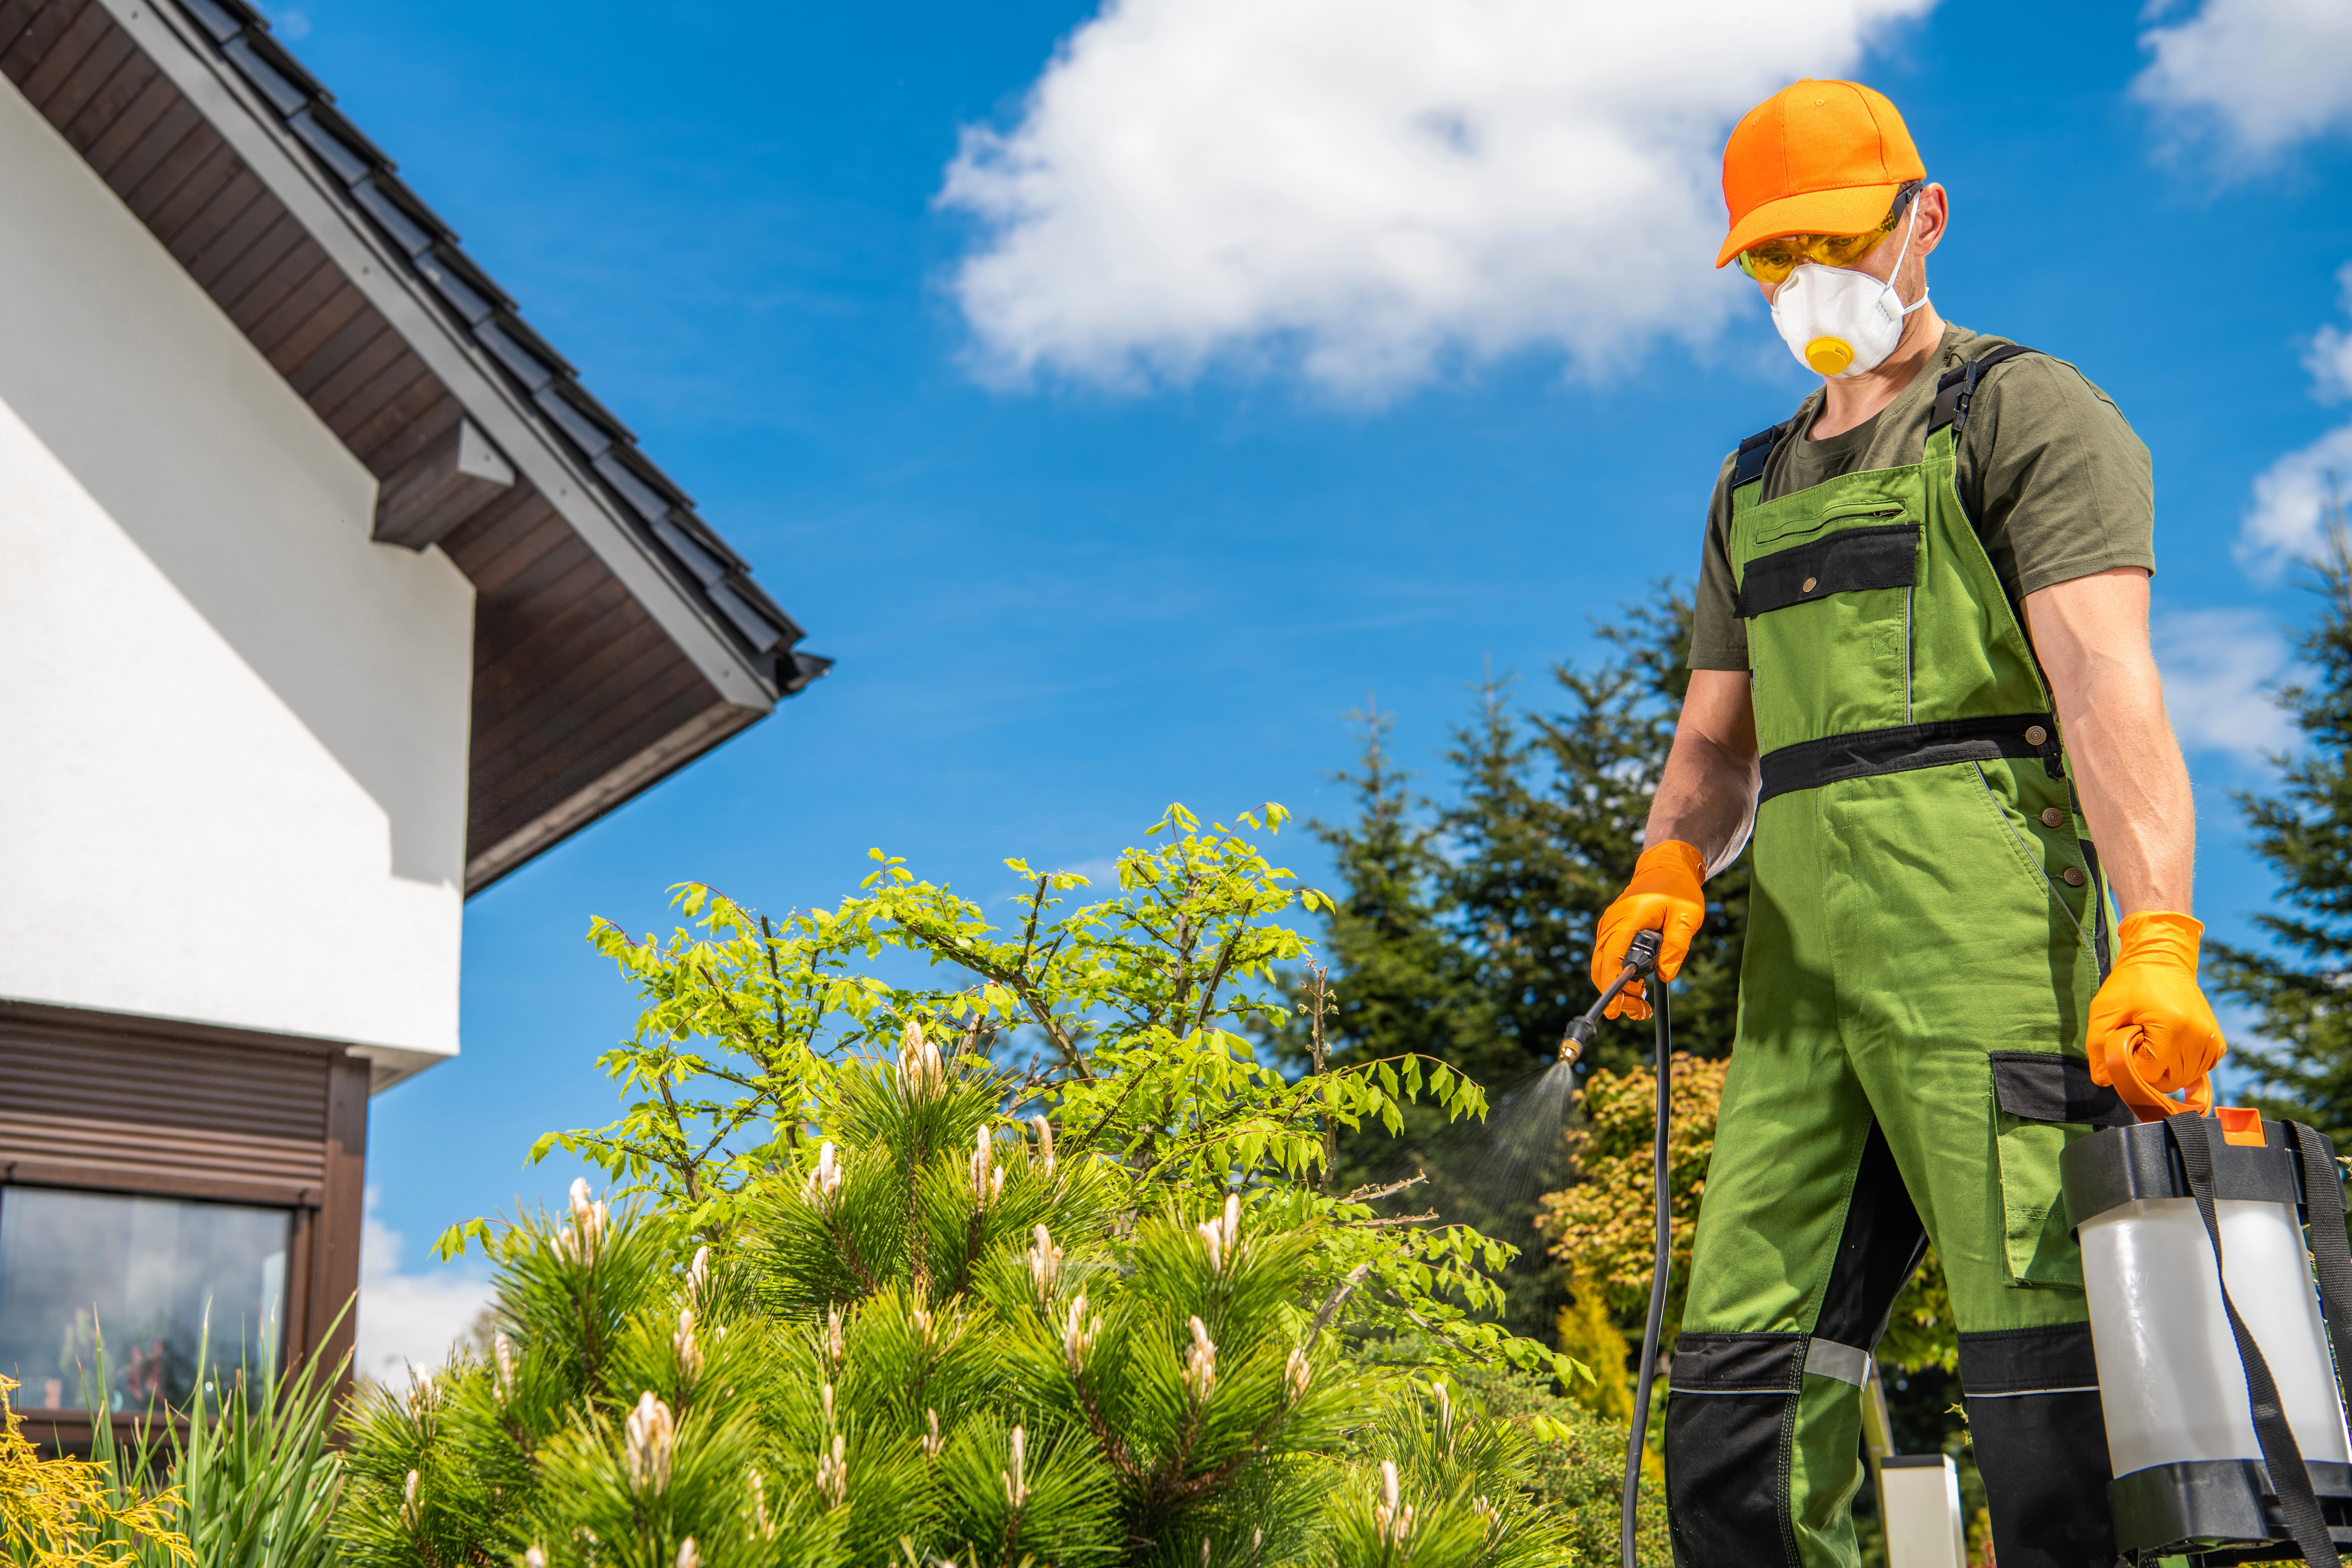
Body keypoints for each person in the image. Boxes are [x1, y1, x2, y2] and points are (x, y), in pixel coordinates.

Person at [1588, 80, 2225, 1568]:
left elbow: (2105, 686)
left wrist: (2158, 937)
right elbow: (1715, 739)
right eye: (1769, 257)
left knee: (2048, 1354)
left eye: (1833, 240)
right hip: (1799, 984)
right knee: (1742, 1367)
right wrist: (1670, 861)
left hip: (1984, 940)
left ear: (1923, 218)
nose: (1804, 282)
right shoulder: (1751, 481)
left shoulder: (2020, 411)